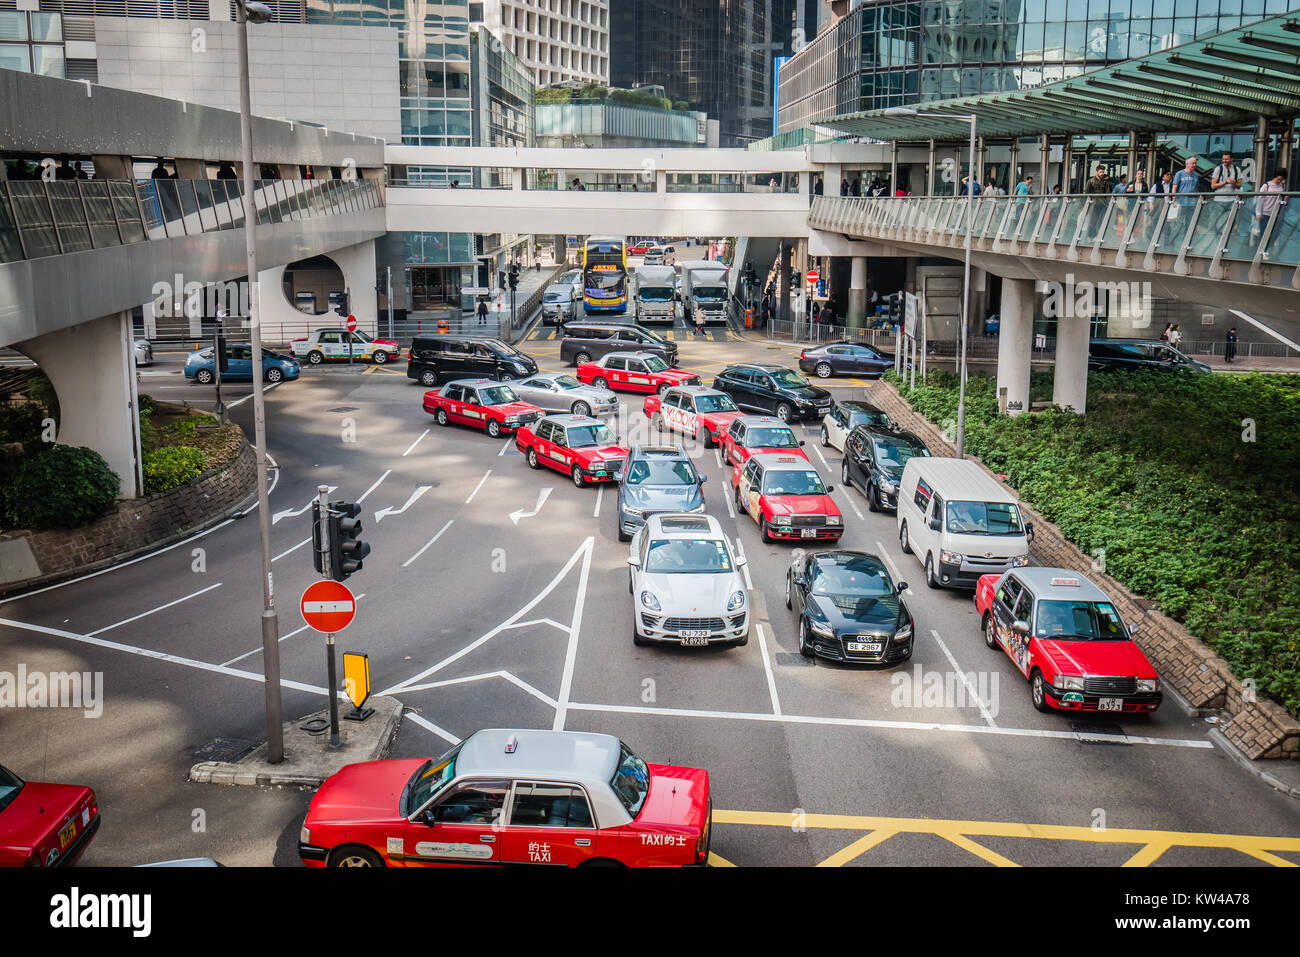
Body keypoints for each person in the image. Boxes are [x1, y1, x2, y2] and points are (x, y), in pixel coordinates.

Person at [1255, 169, 1287, 257]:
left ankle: (1266, 250)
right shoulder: (1267, 186)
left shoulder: (1282, 187)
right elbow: (1260, 199)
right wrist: (1258, 212)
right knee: (1264, 234)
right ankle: (1262, 252)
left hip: (1275, 214)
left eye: (1281, 179)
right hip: (1265, 213)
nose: (1279, 181)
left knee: (1275, 233)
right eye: (1278, 179)